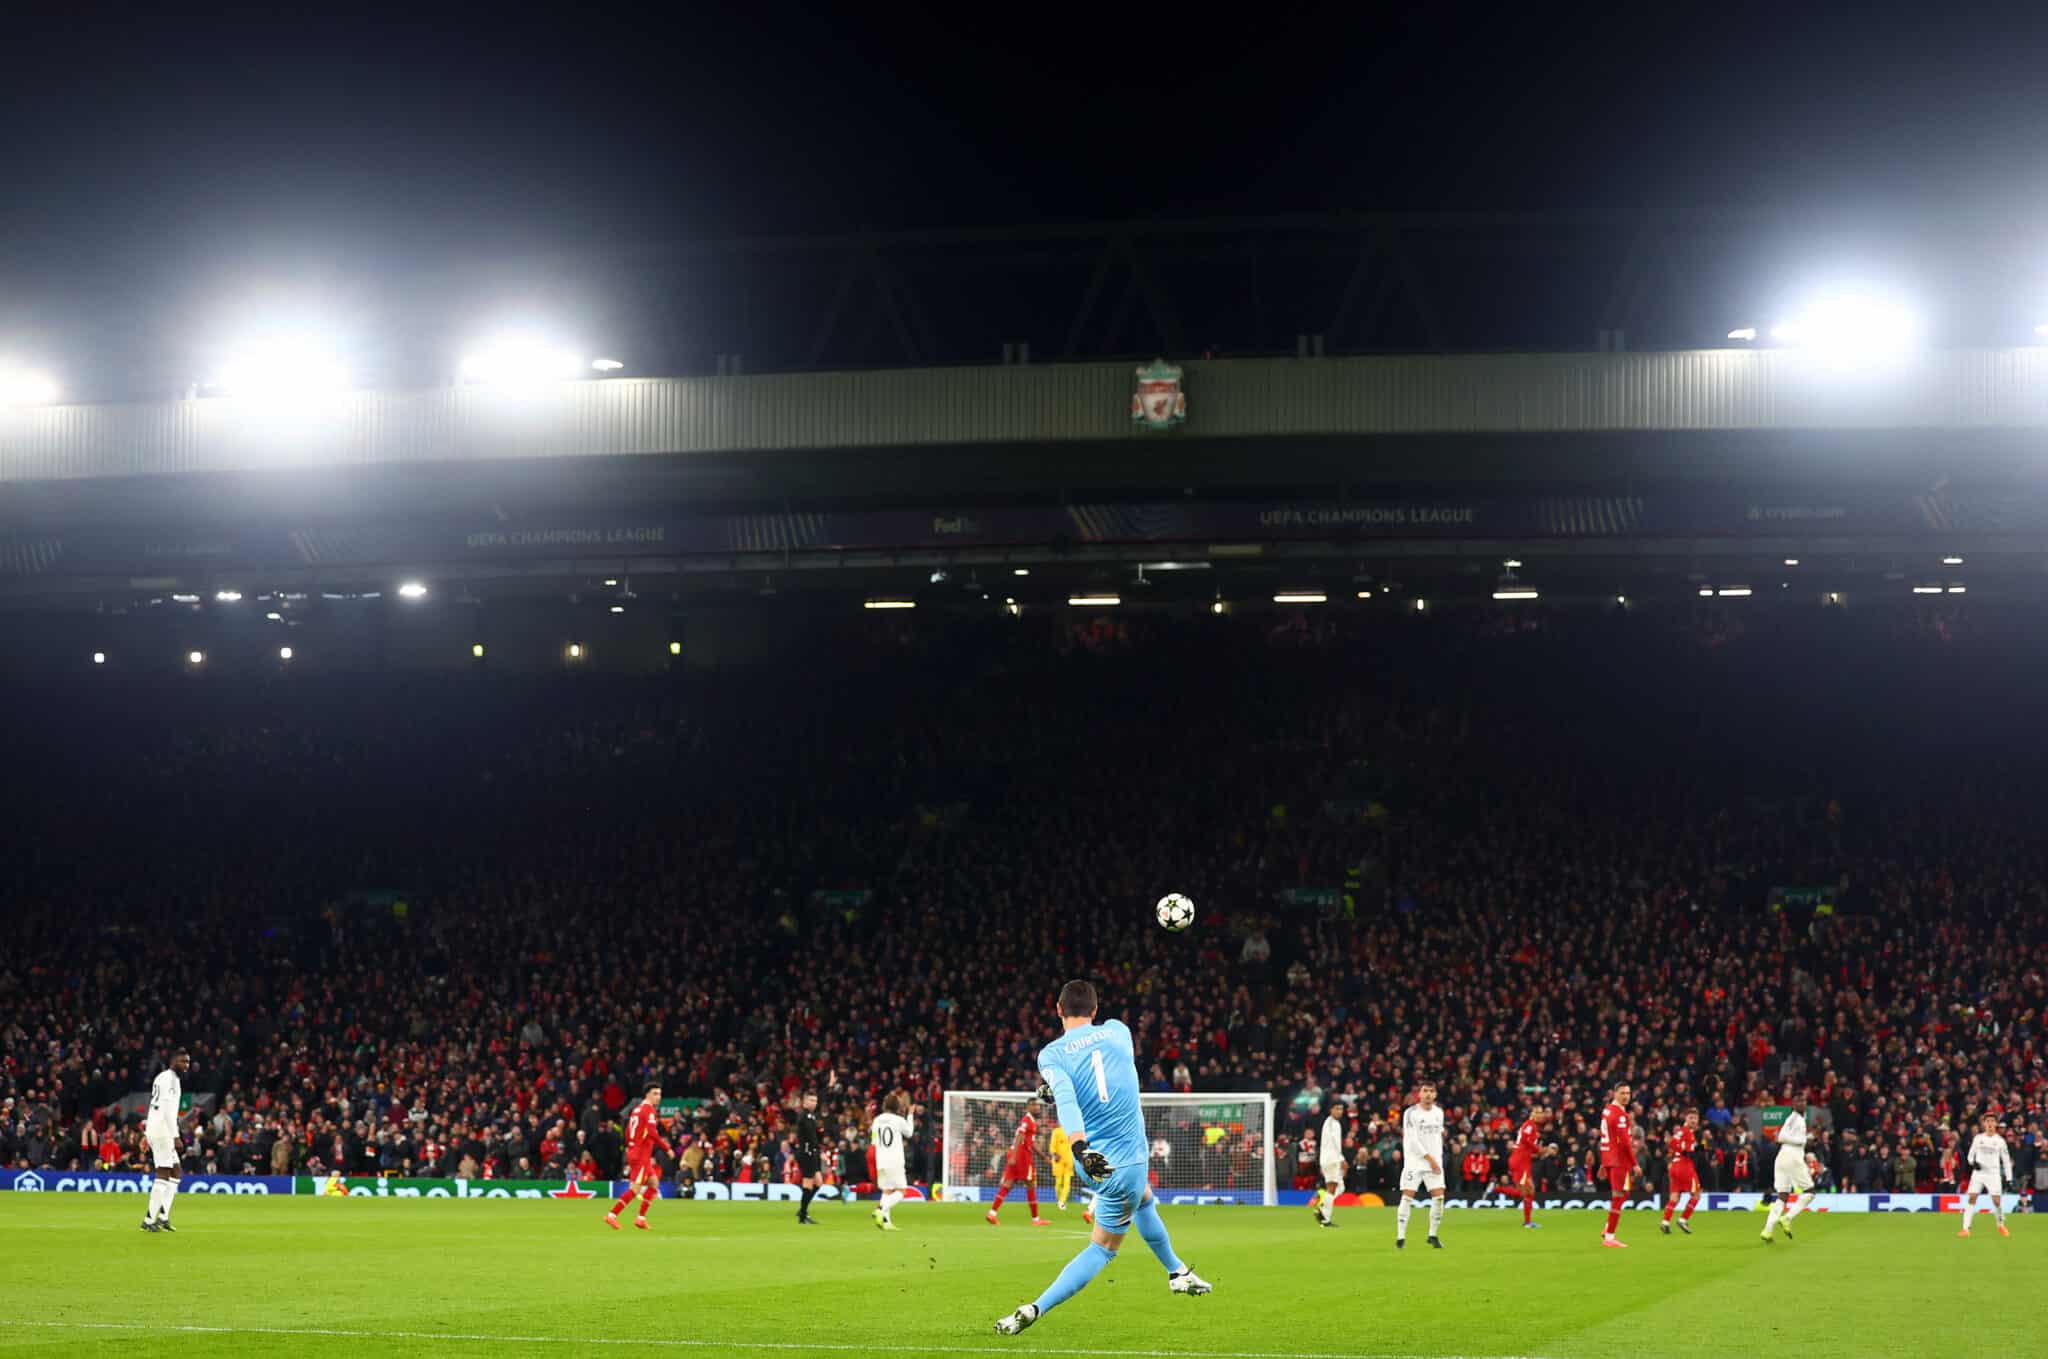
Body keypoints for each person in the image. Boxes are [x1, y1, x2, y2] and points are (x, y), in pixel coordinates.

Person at [993, 979, 1210, 1337]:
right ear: (1095, 1011)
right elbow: (1106, 1075)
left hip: (1092, 1159)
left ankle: (1177, 1272)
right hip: (1126, 1160)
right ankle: (1034, 1307)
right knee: (1103, 1248)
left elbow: (1066, 1097)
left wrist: (1079, 1147)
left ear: (1058, 1010)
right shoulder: (1118, 1031)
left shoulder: (1051, 1054)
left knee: (1143, 1200)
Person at [605, 1083, 670, 1231]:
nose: (658, 1097)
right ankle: (612, 1215)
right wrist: (667, 1148)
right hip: (640, 1155)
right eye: (655, 1093)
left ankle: (641, 1218)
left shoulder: (636, 1110)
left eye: (659, 1094)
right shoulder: (649, 1110)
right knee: (634, 1190)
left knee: (653, 1184)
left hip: (638, 1152)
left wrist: (632, 1145)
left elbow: (628, 1131)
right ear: (647, 1094)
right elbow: (653, 1133)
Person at [140, 1049, 191, 1233]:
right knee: (163, 1171)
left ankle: (163, 1216)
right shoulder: (168, 1079)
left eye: (188, 1062)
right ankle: (148, 1219)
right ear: (173, 1061)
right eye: (183, 1061)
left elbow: (155, 1107)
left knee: (176, 1171)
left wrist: (147, 1133)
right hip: (162, 1131)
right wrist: (175, 1136)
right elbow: (164, 1110)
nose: (186, 1065)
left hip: (159, 1129)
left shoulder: (171, 1079)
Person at [1396, 1081, 1446, 1249]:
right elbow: (1412, 1140)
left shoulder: (1439, 1113)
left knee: (1439, 1198)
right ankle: (1401, 1237)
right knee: (1407, 1197)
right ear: (1419, 1094)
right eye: (1425, 1091)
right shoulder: (1411, 1113)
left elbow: (1437, 1138)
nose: (1428, 1094)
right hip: (1415, 1162)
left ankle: (1432, 1235)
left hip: (1435, 1163)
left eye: (1432, 1091)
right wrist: (1429, 1158)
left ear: (1436, 1094)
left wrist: (1437, 1160)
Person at [986, 1099, 1047, 1226]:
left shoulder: (1031, 1121)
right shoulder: (1027, 1120)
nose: (1038, 1108)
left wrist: (1043, 1157)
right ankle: (1035, 1219)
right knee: (1031, 1184)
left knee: (1008, 1183)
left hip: (1016, 1154)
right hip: (1022, 1156)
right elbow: (1020, 1136)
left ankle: (992, 1213)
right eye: (1035, 1105)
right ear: (1029, 1106)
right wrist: (1014, 1157)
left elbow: (1031, 1142)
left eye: (1038, 1105)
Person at [1760, 1101, 1812, 1244]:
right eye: (1799, 1101)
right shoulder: (1796, 1118)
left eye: (1804, 1101)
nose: (1803, 1104)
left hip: (1782, 1157)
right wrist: (1801, 1140)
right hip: (1792, 1156)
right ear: (1794, 1106)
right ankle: (1787, 1218)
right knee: (1810, 1191)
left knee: (1782, 1195)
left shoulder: (1795, 1119)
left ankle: (1767, 1230)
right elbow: (1781, 1137)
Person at [1496, 1106, 1555, 1229]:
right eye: (1538, 1112)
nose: (1541, 1115)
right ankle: (1497, 1189)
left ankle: (1528, 1222)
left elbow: (1527, 1148)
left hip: (1524, 1161)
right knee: (1523, 1192)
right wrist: (1539, 1149)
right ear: (1533, 1114)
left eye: (1541, 1113)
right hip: (1519, 1162)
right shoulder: (1530, 1125)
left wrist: (1543, 1152)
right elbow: (1526, 1140)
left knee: (1530, 1191)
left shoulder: (1533, 1126)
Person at [1959, 1113, 2013, 1239]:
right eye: (1987, 1121)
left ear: (1996, 1124)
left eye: (1992, 1121)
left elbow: (2006, 1160)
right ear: (1984, 1123)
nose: (1989, 1123)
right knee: (1972, 1198)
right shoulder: (1978, 1138)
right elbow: (1970, 1155)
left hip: (1993, 1174)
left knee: (1996, 1201)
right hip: (1979, 1173)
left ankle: (2000, 1225)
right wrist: (1973, 1163)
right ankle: (1965, 1229)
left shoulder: (2000, 1141)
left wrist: (2009, 1178)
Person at [1598, 1082, 1636, 1249]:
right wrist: (1635, 1163)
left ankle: (1608, 1228)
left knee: (1624, 1192)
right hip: (1619, 1160)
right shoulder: (1620, 1115)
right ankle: (1610, 1236)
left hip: (1610, 1158)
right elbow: (1625, 1143)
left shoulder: (1607, 1110)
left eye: (1628, 1093)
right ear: (1614, 1093)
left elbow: (1607, 1138)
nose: (1626, 1096)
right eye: (1622, 1093)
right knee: (1618, 1196)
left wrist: (1603, 1161)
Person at [870, 1090, 914, 1231]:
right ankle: (880, 1209)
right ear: (896, 1106)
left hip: (881, 1159)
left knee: (887, 1190)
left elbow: (874, 1141)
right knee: (902, 1191)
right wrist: (911, 1115)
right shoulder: (898, 1120)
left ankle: (886, 1222)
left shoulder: (876, 1120)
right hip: (895, 1160)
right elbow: (909, 1133)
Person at [1661, 1108, 1701, 1236]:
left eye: (1695, 1118)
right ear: (1686, 1119)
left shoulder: (1679, 1132)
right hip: (1685, 1166)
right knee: (1696, 1195)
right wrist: (1704, 1147)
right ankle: (1683, 1220)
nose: (1694, 1121)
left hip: (1674, 1165)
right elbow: (1689, 1152)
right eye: (1691, 1118)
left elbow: (1671, 1145)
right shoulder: (1688, 1133)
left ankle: (1665, 1222)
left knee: (1675, 1197)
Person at [792, 1091, 824, 1225]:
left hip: (812, 1153)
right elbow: (810, 1136)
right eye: (811, 1100)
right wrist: (818, 1149)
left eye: (815, 1101)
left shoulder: (811, 1116)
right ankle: (802, 1216)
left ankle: (802, 1210)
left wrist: (830, 1086)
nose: (814, 1103)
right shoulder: (804, 1116)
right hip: (806, 1153)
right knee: (808, 1184)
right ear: (804, 1102)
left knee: (819, 1183)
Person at [1315, 1101, 1346, 1228]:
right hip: (1332, 1159)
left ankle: (1323, 1211)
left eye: (1341, 1109)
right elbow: (1335, 1143)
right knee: (1333, 1188)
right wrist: (1341, 1159)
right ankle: (1323, 1214)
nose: (1339, 1111)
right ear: (1331, 1110)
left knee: (1340, 1188)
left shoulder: (1328, 1122)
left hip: (1327, 1159)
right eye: (1337, 1108)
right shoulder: (1334, 1124)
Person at [1049, 1121, 1078, 1213]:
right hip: (1059, 1161)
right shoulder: (1056, 1131)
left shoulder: (1072, 1132)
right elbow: (1052, 1145)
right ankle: (1059, 1199)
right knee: (1058, 1183)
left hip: (1069, 1161)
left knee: (1067, 1183)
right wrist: (1054, 1154)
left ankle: (1062, 1202)